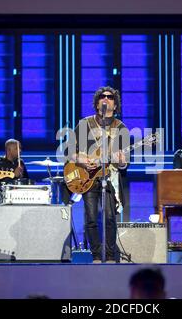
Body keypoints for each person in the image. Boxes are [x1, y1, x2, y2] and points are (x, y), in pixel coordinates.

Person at [69, 86, 130, 263]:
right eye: (102, 96)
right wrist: (81, 160)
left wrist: (120, 160)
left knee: (110, 218)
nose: (106, 99)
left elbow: (124, 163)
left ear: (115, 105)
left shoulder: (121, 128)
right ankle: (96, 255)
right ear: (97, 104)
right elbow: (71, 151)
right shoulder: (84, 124)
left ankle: (110, 256)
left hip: (109, 178)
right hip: (87, 177)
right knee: (90, 218)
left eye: (110, 97)